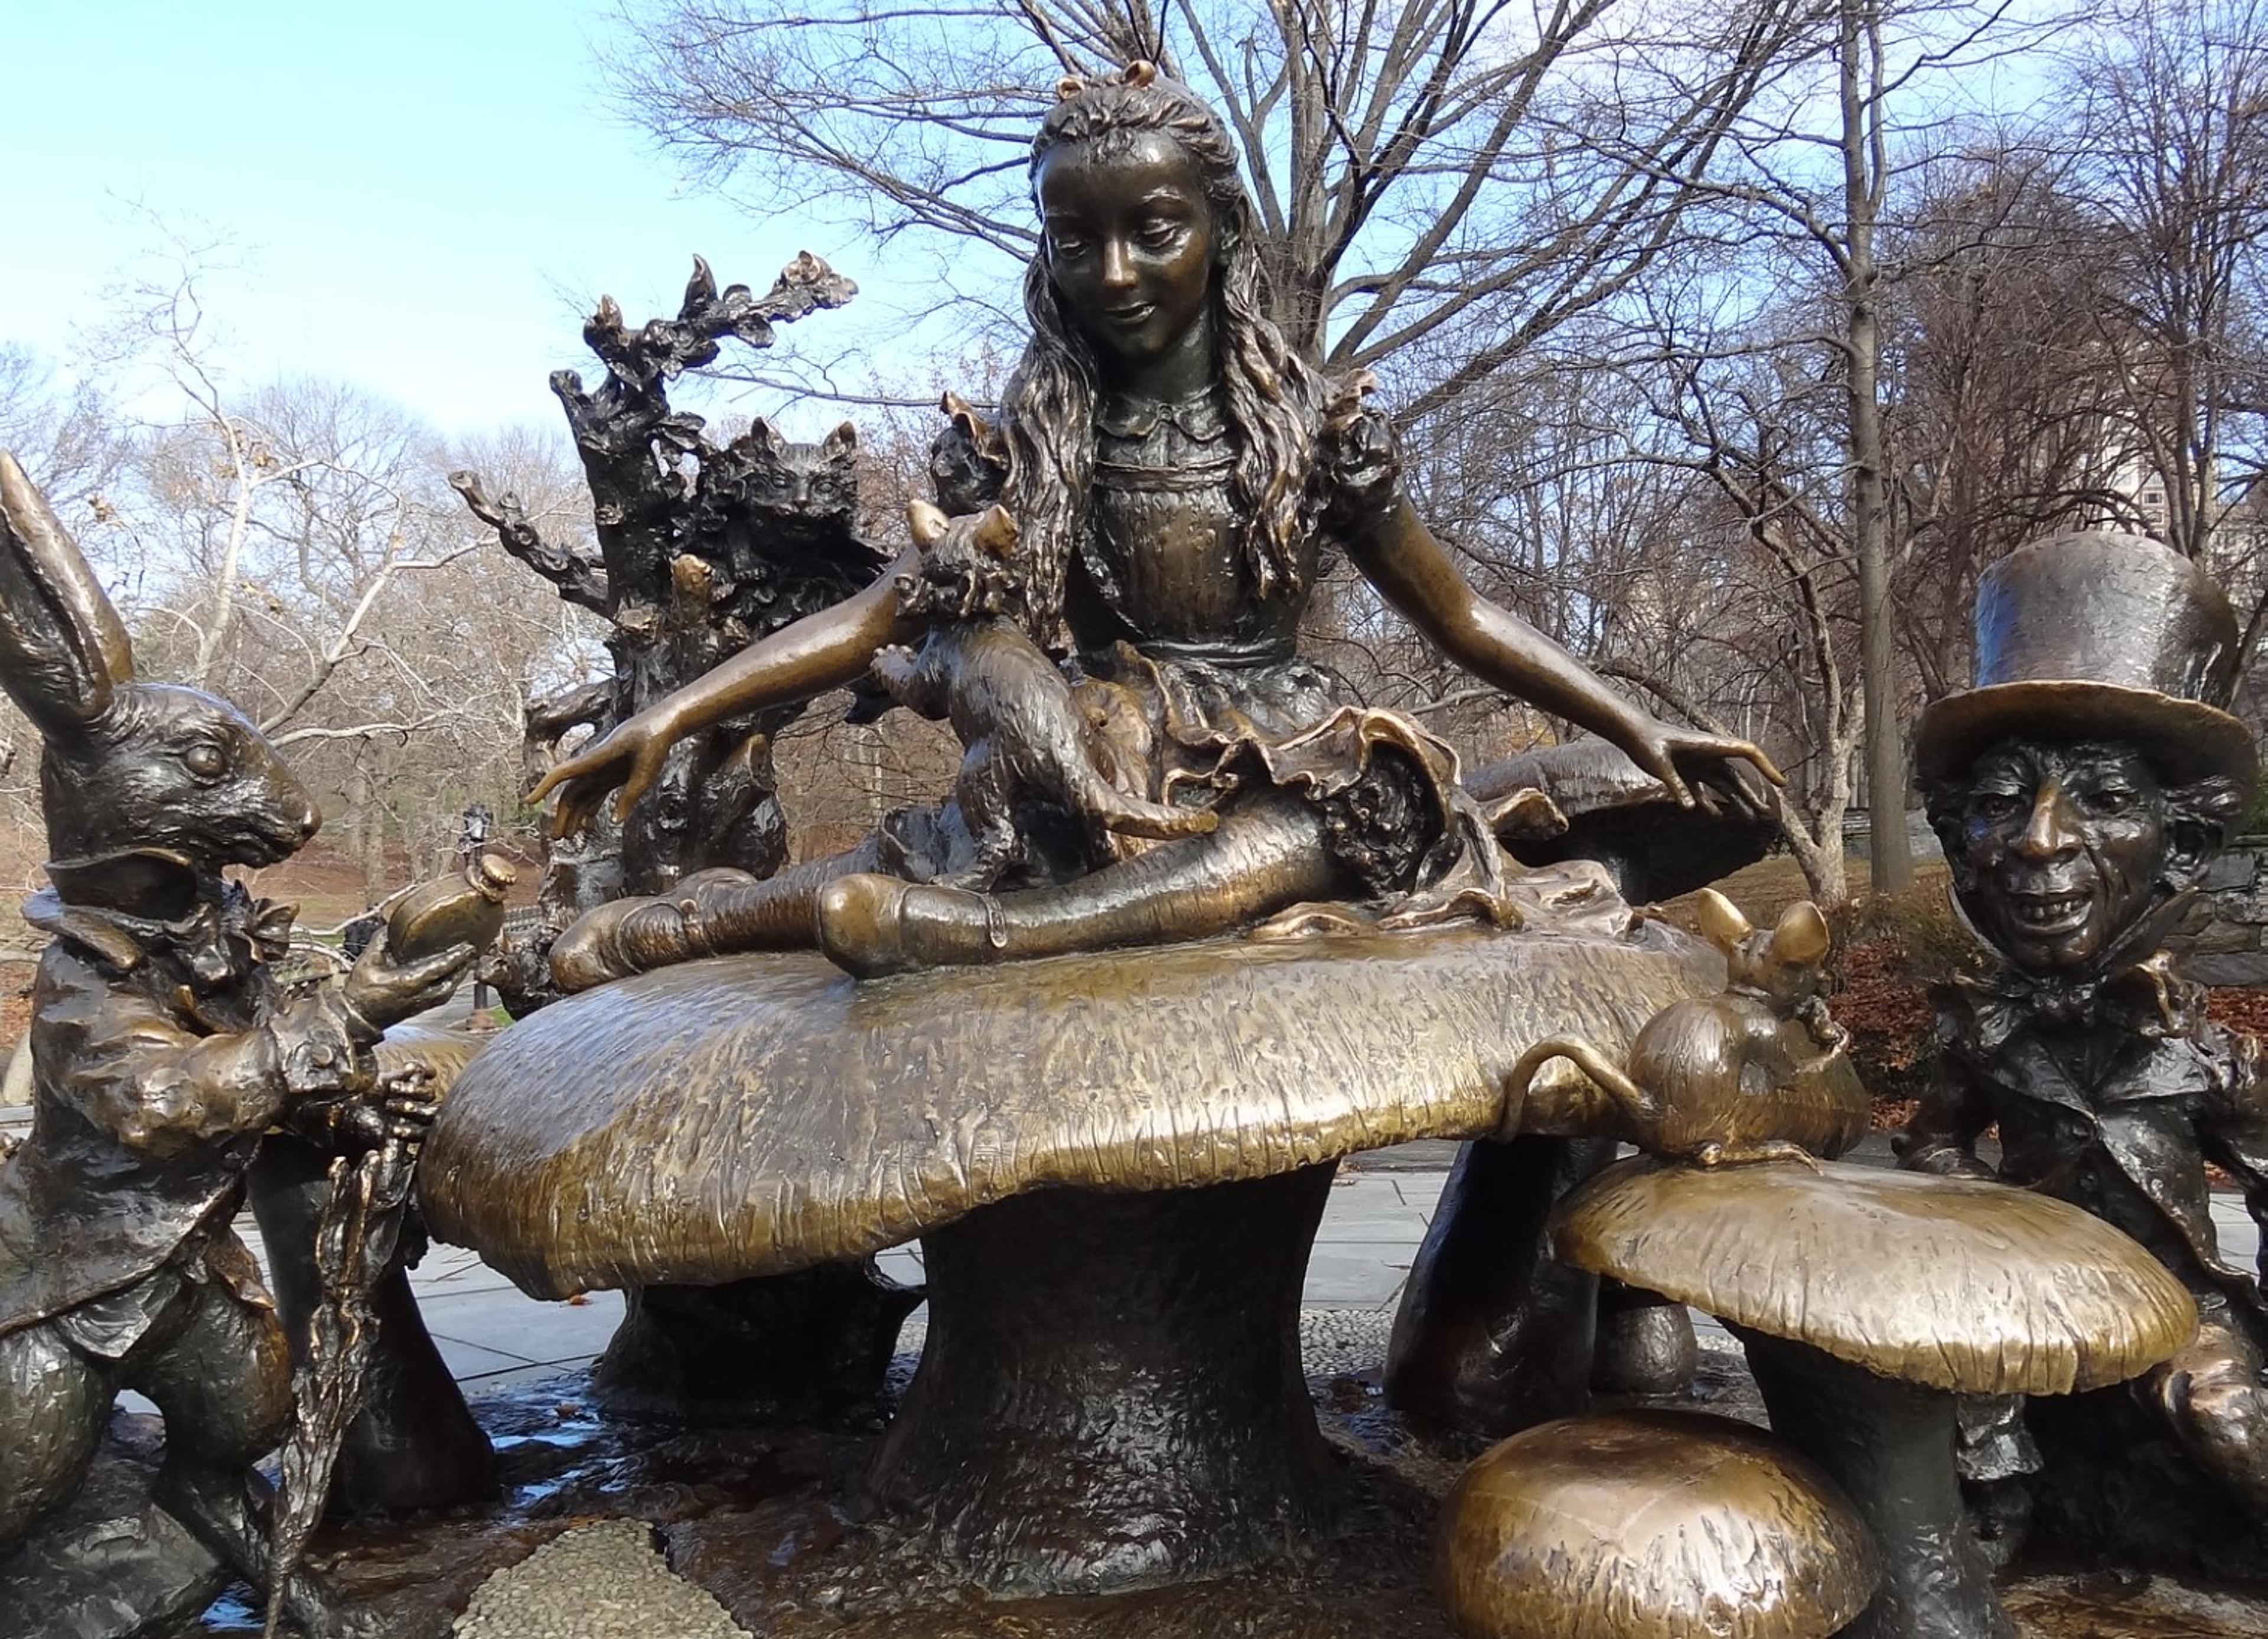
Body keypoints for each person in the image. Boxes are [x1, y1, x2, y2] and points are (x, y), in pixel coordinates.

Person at [536, 61, 1777, 985]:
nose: (1115, 273)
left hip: (1285, 746)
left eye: (1154, 232)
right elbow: (876, 619)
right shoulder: (1035, 447)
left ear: (1222, 233)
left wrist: (1640, 722)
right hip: (1108, 741)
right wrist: (664, 716)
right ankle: (684, 921)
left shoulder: (1314, 433)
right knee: (934, 827)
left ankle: (1004, 932)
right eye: (1077, 240)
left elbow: (1457, 615)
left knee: (1320, 834)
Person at [1897, 530, 2268, 1526]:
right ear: (1964, 846)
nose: (2040, 838)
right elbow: (1932, 1141)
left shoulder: (2202, 1050)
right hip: (2025, 1300)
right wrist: (1980, 1211)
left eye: (2104, 799)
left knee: (2229, 1428)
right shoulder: (1983, 1030)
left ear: (2180, 845)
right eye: (2001, 803)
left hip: (2181, 1311)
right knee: (1945, 1453)